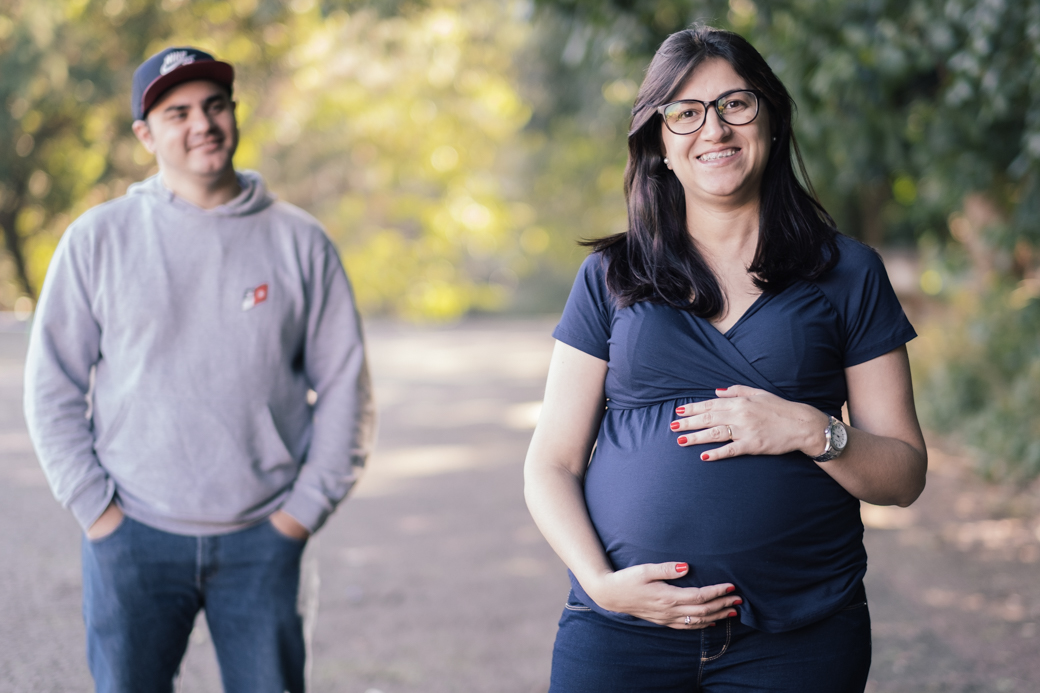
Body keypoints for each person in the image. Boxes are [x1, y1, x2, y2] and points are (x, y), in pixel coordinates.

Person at [524, 25, 927, 692]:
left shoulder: (849, 272)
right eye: (685, 113)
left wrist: (813, 431)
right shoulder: (610, 276)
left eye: (735, 104)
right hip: (622, 633)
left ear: (770, 118)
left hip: (799, 642)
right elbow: (551, 461)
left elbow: (904, 475)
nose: (713, 129)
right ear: (659, 143)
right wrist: (603, 585)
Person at [23, 46, 374, 693]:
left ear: (233, 114)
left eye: (214, 106)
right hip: (132, 534)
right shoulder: (99, 238)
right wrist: (97, 512)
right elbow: (51, 387)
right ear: (145, 134)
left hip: (265, 536)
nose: (201, 124)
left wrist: (301, 512)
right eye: (177, 112)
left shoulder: (300, 242)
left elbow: (348, 387)